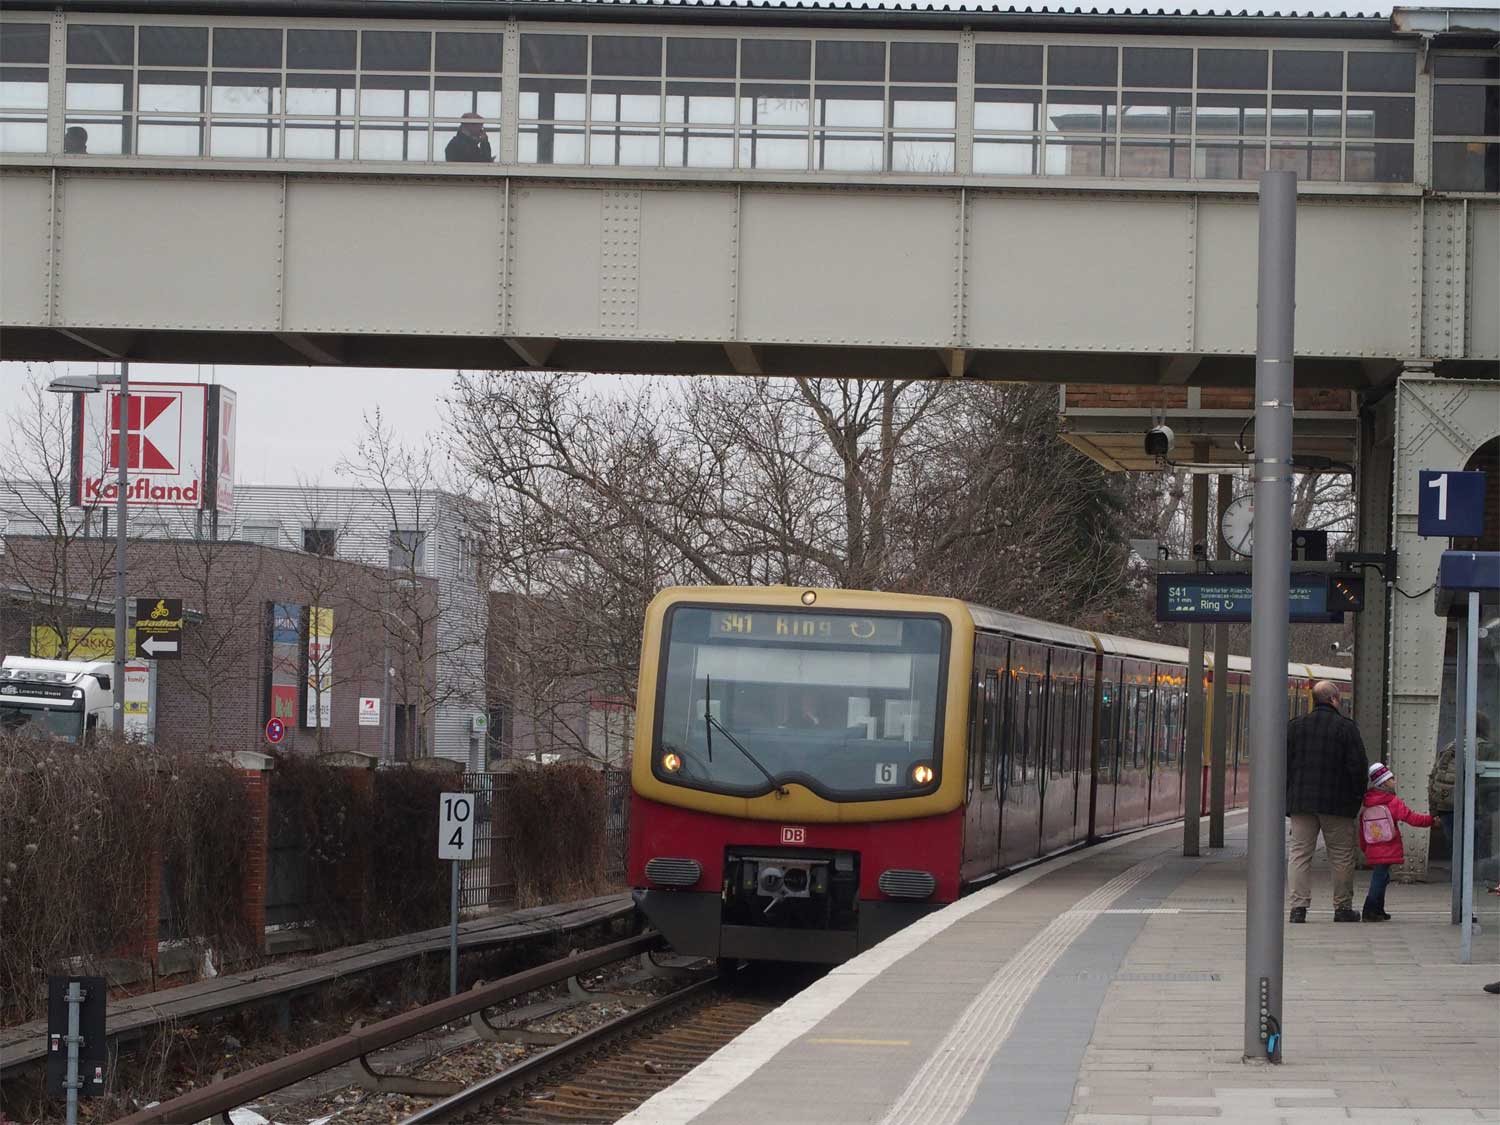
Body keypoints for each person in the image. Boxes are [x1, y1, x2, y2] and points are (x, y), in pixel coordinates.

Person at [1286, 679, 1369, 923]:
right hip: (1337, 804)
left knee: (1299, 854)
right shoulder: (1346, 728)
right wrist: (1356, 799)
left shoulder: (1295, 726)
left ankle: (1298, 908)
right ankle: (1342, 908)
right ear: (1334, 699)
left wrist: (1289, 797)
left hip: (1302, 803)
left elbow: (1284, 764)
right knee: (1341, 855)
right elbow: (1358, 767)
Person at [1358, 762, 1433, 921]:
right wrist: (1431, 820)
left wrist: (1364, 847)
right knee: (1379, 878)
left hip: (1373, 846)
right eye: (1391, 778)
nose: (1394, 781)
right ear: (1384, 782)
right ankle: (1369, 910)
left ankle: (1379, 909)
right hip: (1388, 846)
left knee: (1383, 877)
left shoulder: (1367, 803)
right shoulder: (1392, 801)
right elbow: (1411, 818)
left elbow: (1362, 829)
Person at [1428, 711, 1492, 850]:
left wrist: (1434, 812)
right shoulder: (1486, 748)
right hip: (1475, 808)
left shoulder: (1450, 747)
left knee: (1455, 849)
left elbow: (1433, 778)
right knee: (1475, 851)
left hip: (1447, 807)